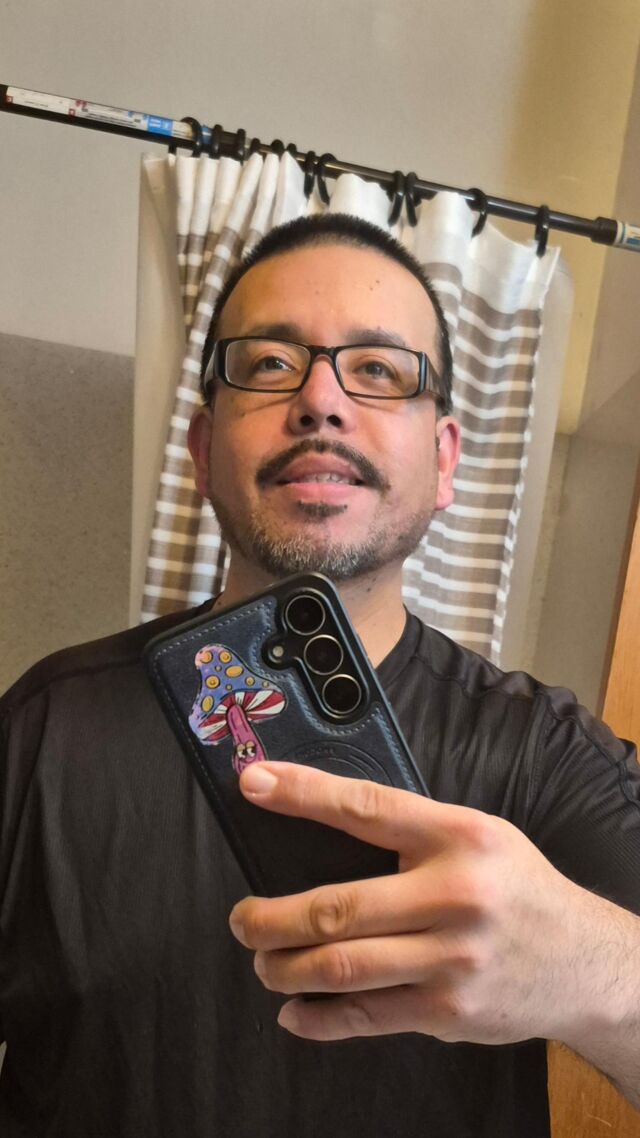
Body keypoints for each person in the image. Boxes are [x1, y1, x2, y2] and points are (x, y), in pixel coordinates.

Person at [1, 214, 638, 1138]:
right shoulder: (42, 728)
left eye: (378, 369)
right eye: (269, 363)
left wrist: (595, 971)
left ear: (445, 462)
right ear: (202, 449)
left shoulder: (547, 757)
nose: (320, 401)